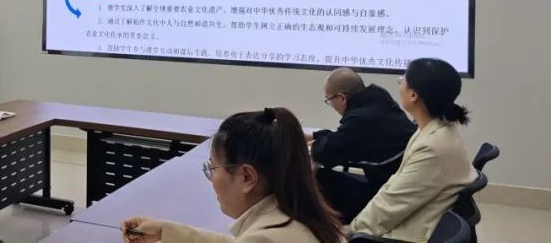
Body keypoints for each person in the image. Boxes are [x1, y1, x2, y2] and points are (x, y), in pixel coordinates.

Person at [122, 108, 343, 243]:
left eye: (212, 168)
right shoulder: (294, 213)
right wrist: (165, 231)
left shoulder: (266, 237)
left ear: (246, 177)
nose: (211, 181)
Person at [350, 58, 476, 241]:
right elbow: (395, 189)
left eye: (403, 79)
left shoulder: (432, 147)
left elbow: (391, 205)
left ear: (413, 95)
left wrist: (351, 230)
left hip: (408, 233)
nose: (400, 83)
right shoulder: (437, 129)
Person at [310, 68, 416, 222]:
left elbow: (327, 153)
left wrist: (313, 144)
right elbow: (344, 139)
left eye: (329, 100)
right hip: (397, 187)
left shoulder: (360, 119)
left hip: (385, 199)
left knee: (317, 178)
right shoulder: (378, 96)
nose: (330, 104)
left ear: (342, 98)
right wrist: (315, 136)